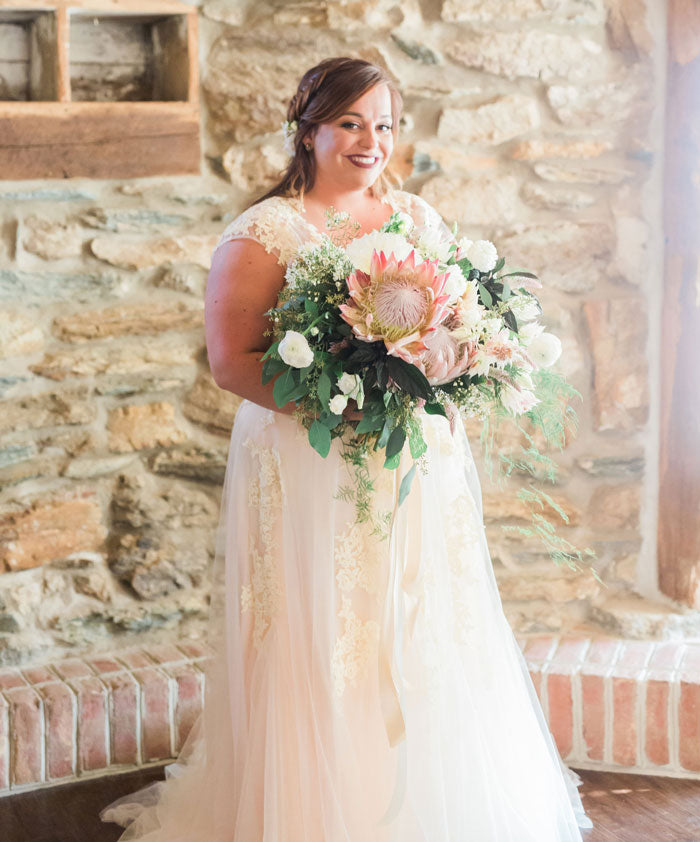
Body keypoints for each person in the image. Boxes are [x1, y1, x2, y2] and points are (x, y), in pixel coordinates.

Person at [100, 56, 593, 841]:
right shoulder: (266, 231)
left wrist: (461, 362)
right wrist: (349, 404)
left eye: (385, 124)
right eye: (351, 123)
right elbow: (232, 362)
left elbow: (456, 323)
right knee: (322, 629)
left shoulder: (418, 220)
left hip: (412, 461)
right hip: (310, 460)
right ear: (310, 130)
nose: (371, 141)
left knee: (422, 622)